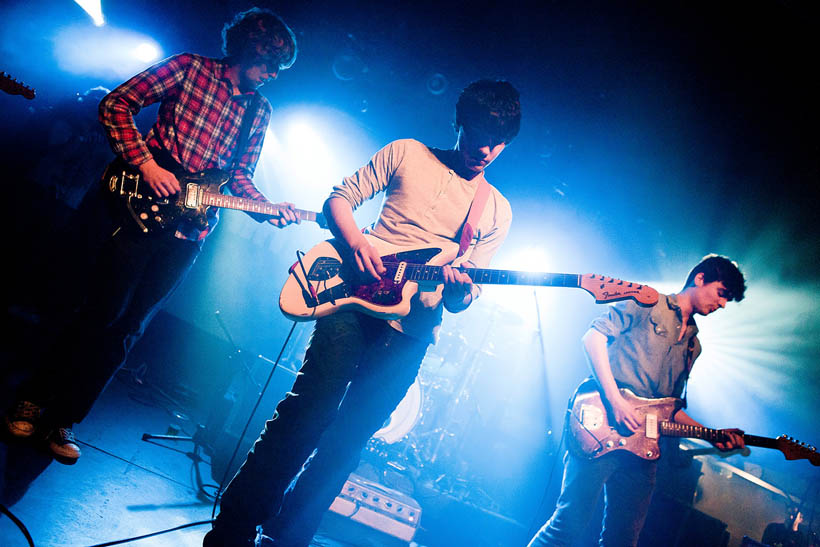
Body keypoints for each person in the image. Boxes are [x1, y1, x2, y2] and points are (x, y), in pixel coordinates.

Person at [204, 79, 521, 547]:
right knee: (308, 412)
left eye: (498, 143)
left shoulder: (495, 210)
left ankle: (287, 537)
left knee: (350, 439)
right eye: (478, 135)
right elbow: (339, 199)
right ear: (460, 124)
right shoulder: (408, 152)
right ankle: (233, 527)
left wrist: (459, 290)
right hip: (353, 299)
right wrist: (357, 245)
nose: (485, 149)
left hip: (412, 331)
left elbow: (464, 295)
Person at [4, 7, 299, 464]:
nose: (273, 75)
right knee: (101, 311)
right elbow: (116, 104)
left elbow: (239, 177)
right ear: (250, 48)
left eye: (279, 70)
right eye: (270, 63)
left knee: (128, 327)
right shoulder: (189, 68)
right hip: (139, 208)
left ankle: (64, 419)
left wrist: (267, 208)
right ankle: (31, 398)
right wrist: (147, 164)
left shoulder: (260, 111)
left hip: (189, 233)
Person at [528, 254, 748, 547]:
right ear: (700, 278)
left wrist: (711, 436)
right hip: (600, 424)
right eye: (721, 294)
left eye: (727, 300)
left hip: (643, 449)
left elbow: (669, 410)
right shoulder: (646, 300)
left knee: (623, 541)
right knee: (566, 528)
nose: (722, 304)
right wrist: (616, 400)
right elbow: (593, 339)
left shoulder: (694, 346)